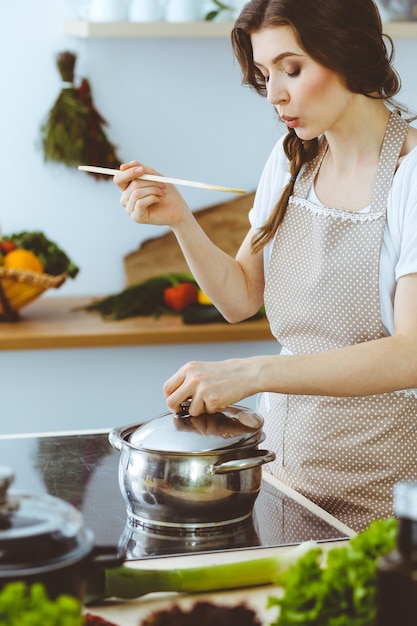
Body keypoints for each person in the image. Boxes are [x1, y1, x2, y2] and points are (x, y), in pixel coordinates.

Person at [114, 0, 417, 531]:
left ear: (348, 54)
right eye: (264, 74)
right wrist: (180, 219)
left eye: (292, 69)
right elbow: (239, 300)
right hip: (284, 471)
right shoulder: (292, 157)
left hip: (387, 488)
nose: (274, 94)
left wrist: (252, 373)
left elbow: (409, 356)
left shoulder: (411, 175)